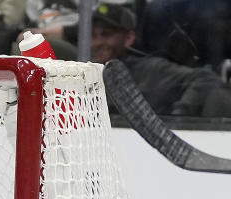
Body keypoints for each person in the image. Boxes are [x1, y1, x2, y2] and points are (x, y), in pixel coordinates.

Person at [90, 3, 231, 117]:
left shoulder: (151, 71)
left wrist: (178, 119)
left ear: (129, 38)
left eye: (106, 34)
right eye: (92, 35)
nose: (98, 42)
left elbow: (205, 79)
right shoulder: (80, 75)